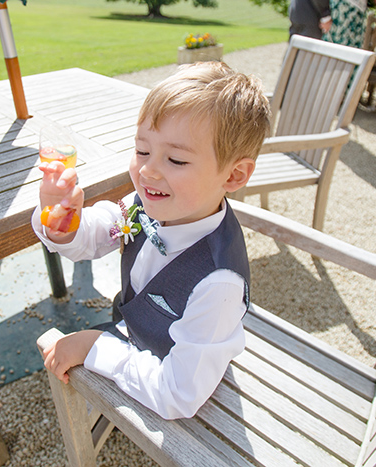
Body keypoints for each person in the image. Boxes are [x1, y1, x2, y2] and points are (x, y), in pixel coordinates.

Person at [34, 62, 271, 419]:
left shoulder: (219, 284)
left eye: (175, 159)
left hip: (179, 366)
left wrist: (97, 346)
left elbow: (178, 395)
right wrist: (61, 222)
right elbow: (96, 234)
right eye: (142, 150)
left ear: (234, 175)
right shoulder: (148, 203)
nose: (147, 171)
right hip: (136, 332)